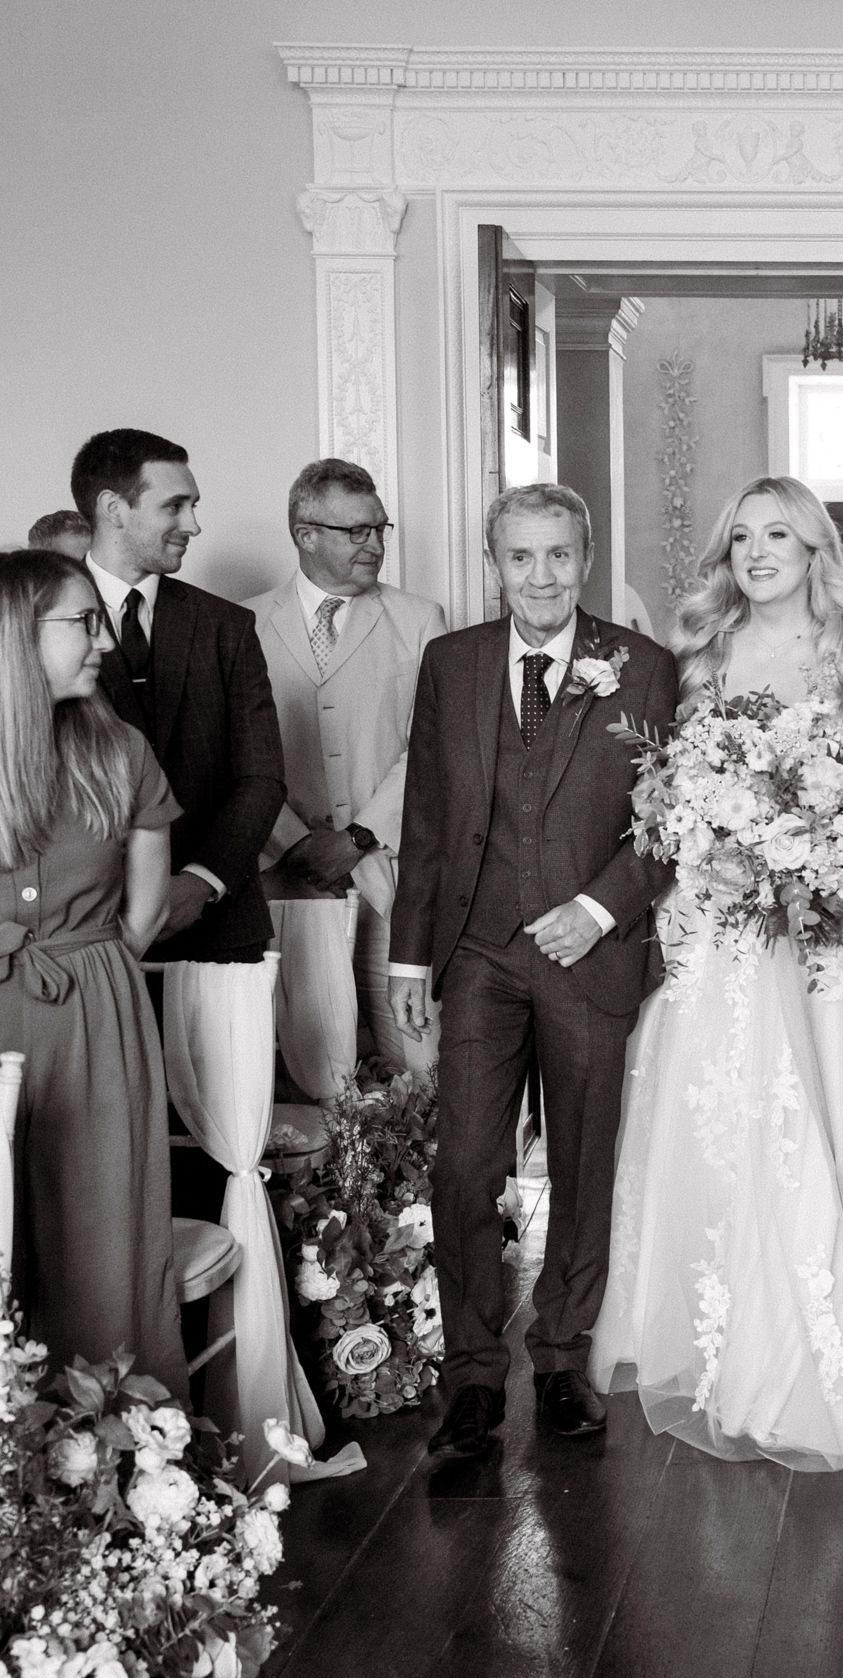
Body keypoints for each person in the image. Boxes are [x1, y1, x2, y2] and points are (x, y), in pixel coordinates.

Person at [589, 475, 843, 1473]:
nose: (757, 551)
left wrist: (825, 853)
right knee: (728, 1112)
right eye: (742, 537)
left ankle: (828, 1330)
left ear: (817, 548)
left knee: (825, 1109)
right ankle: (716, 1334)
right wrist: (716, 844)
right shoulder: (698, 655)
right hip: (726, 928)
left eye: (779, 534)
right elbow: (663, 794)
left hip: (833, 931)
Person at [387, 483, 678, 1457]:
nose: (541, 575)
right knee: (464, 1164)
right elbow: (425, 818)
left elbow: (670, 823)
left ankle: (561, 1358)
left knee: (586, 1163)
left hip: (590, 957)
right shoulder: (453, 663)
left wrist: (596, 910)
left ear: (584, 558)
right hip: (475, 955)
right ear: (493, 561)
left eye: (559, 555)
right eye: (522, 557)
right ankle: (472, 1375)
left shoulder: (643, 668)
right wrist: (408, 956)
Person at [0, 550, 187, 1394]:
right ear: (15, 637)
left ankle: (118, 1459)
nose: (103, 639)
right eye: (82, 621)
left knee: (102, 1242)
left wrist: (83, 973)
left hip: (93, 1021)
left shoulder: (121, 752)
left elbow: (143, 916)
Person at [243, 459, 446, 1073]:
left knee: (422, 1064)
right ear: (306, 535)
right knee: (306, 1071)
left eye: (381, 528)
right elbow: (232, 756)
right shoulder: (241, 623)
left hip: (391, 877)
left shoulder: (420, 620)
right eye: (357, 531)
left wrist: (356, 839)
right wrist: (298, 843)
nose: (376, 544)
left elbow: (434, 749)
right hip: (283, 881)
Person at [71, 429, 284, 962]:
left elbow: (261, 777)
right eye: (175, 505)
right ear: (114, 508)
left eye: (194, 506)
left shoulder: (226, 626)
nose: (194, 524)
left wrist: (200, 881)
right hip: (83, 931)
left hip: (219, 924)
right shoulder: (36, 618)